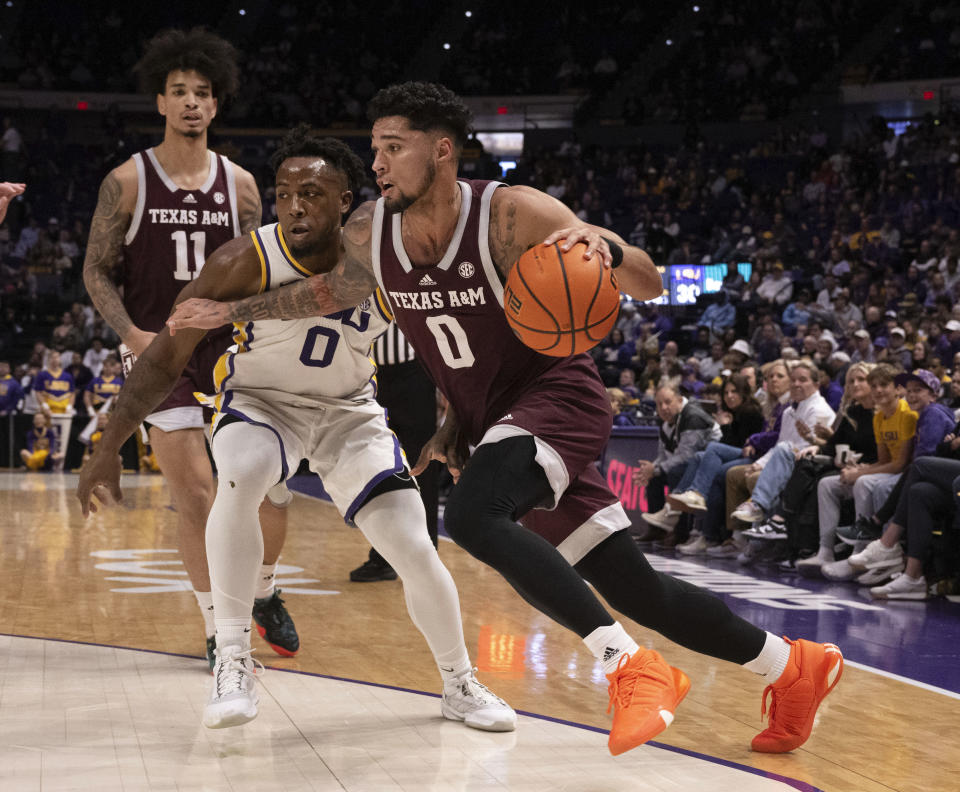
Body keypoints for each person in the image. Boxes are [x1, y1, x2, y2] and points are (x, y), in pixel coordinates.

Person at [165, 82, 844, 757]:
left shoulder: (512, 214)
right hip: (490, 418)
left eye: (393, 149)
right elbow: (326, 293)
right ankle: (791, 668)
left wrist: (602, 243)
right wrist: (231, 314)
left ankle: (628, 667)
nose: (376, 165)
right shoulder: (372, 232)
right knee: (637, 586)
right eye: (374, 150)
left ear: (442, 150)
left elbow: (648, 282)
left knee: (468, 516)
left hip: (559, 398)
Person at [77, 129, 516, 733]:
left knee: (411, 543)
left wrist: (454, 421)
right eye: (283, 194)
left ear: (345, 202)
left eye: (311, 193)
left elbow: (450, 344)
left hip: (348, 411)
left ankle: (460, 682)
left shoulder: (384, 255)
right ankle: (232, 657)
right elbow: (161, 361)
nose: (295, 206)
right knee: (243, 474)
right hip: (260, 403)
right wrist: (108, 446)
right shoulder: (242, 261)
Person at [80, 28, 295, 667]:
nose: (192, 103)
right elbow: (96, 269)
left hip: (232, 350)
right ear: (161, 103)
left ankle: (264, 590)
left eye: (203, 93)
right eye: (180, 92)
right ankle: (215, 629)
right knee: (198, 493)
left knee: (267, 491)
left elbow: (261, 267)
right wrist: (130, 334)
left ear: (216, 104)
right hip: (159, 352)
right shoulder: (128, 179)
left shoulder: (243, 185)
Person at [349, 323, 440, 582]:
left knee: (421, 464)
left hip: (412, 372)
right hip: (366, 373)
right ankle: (383, 556)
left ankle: (426, 551)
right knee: (377, 466)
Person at [634, 384, 721, 538]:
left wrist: (655, 469)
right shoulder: (667, 422)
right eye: (659, 404)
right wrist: (650, 470)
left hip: (710, 464)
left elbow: (686, 455)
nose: (663, 408)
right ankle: (657, 529)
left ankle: (680, 532)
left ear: (680, 400)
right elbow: (663, 455)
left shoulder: (692, 416)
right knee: (655, 478)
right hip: (693, 463)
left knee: (675, 472)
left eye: (668, 402)